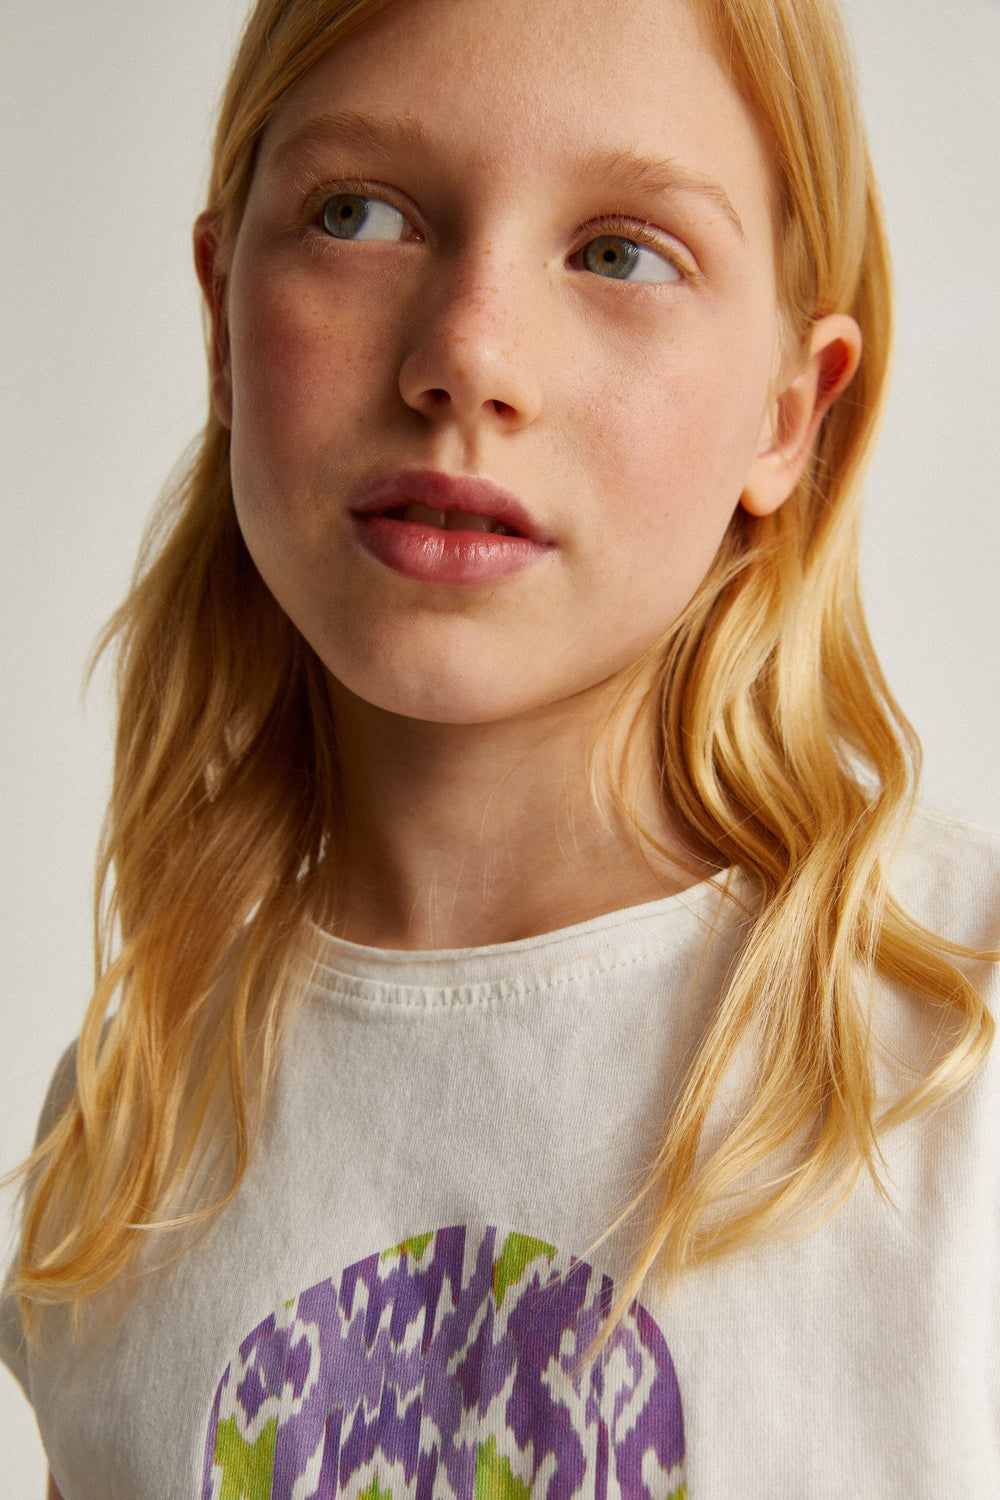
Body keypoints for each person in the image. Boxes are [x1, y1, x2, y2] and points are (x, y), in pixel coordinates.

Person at [2, 0, 998, 1493]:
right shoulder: (130, 1123)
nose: (469, 356)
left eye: (622, 254)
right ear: (219, 320)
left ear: (789, 413)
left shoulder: (955, 1049)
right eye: (359, 216)